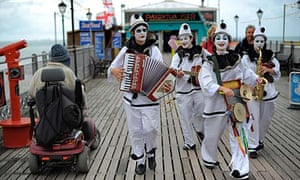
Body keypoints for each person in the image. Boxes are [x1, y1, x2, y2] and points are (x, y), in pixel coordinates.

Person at [199, 22, 263, 179]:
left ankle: (240, 168)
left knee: (240, 134)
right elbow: (205, 81)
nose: (221, 40)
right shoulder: (208, 61)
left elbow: (246, 72)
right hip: (216, 104)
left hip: (236, 103)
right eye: (218, 38)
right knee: (212, 136)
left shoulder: (236, 58)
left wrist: (257, 79)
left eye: (224, 38)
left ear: (228, 40)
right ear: (214, 41)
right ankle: (209, 157)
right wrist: (221, 89)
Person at [107, 14, 169, 175]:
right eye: (138, 30)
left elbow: (161, 72)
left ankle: (151, 152)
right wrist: (114, 70)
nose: (142, 32)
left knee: (150, 129)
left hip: (149, 98)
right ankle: (140, 160)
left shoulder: (154, 50)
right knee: (135, 130)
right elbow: (112, 67)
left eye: (144, 30)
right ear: (133, 33)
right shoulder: (126, 50)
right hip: (131, 99)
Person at [241, 26, 281, 158]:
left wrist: (268, 70)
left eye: (261, 41)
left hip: (267, 91)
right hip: (252, 91)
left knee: (266, 118)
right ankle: (252, 146)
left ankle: (260, 139)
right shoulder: (246, 56)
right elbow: (242, 71)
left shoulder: (270, 56)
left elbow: (277, 71)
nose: (259, 44)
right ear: (253, 41)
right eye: (257, 41)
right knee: (253, 118)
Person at [170, 23, 208, 150]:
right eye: (182, 38)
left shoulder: (201, 51)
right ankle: (189, 142)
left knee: (201, 112)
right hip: (182, 91)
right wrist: (177, 73)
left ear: (191, 38)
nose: (184, 41)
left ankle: (199, 129)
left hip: (198, 89)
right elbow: (172, 68)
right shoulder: (178, 54)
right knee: (185, 117)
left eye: (187, 38)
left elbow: (212, 59)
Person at [28, 44, 87, 113]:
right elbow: (80, 94)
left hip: (44, 118)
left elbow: (31, 93)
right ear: (66, 59)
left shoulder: (39, 73)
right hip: (67, 117)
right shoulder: (68, 72)